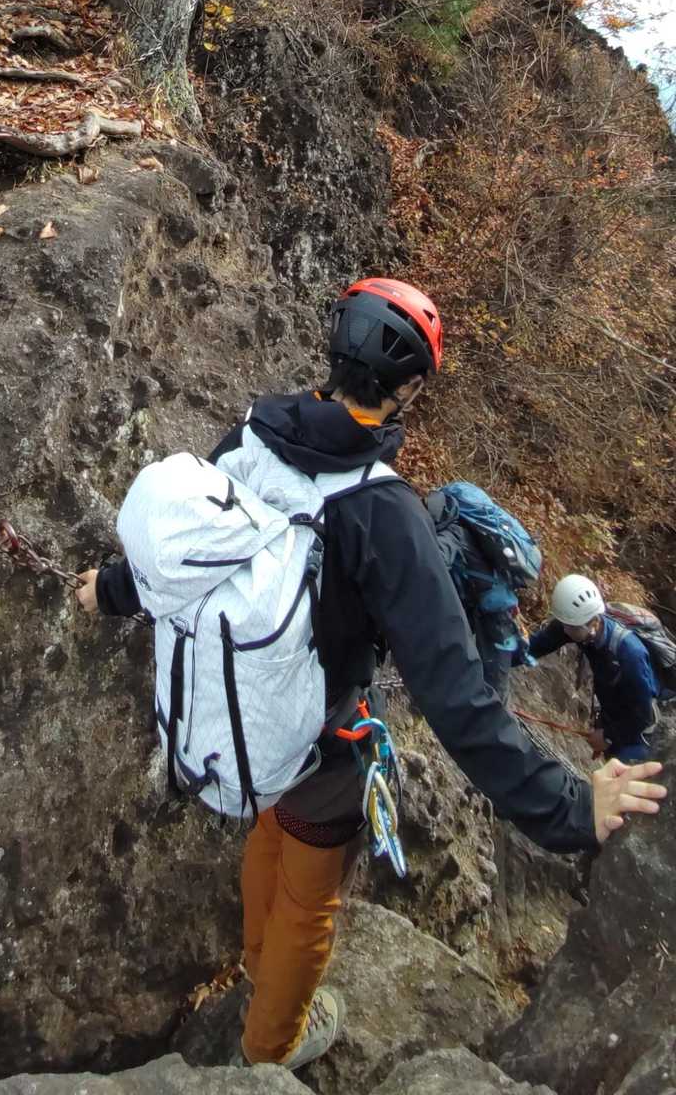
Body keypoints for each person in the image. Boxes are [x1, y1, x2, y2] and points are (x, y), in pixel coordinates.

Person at [75, 278, 666, 1072]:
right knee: (310, 897)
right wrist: (570, 806)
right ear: (408, 387)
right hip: (322, 740)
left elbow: (189, 549)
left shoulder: (254, 431)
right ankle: (268, 1049)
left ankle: (255, 972)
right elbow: (458, 695)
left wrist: (111, 589)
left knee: (268, 832)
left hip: (242, 716)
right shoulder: (384, 512)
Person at [528, 575, 660, 763]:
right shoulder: (576, 626)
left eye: (570, 627)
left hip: (638, 735)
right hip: (612, 717)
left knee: (621, 775)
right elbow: (536, 646)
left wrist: (608, 736)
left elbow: (642, 715)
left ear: (593, 623)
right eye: (563, 624)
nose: (564, 630)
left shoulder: (630, 654)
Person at [424, 484, 535, 702]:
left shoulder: (453, 533)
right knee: (494, 681)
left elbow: (433, 563)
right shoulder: (470, 528)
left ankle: (492, 717)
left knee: (494, 689)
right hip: (493, 607)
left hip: (493, 612)